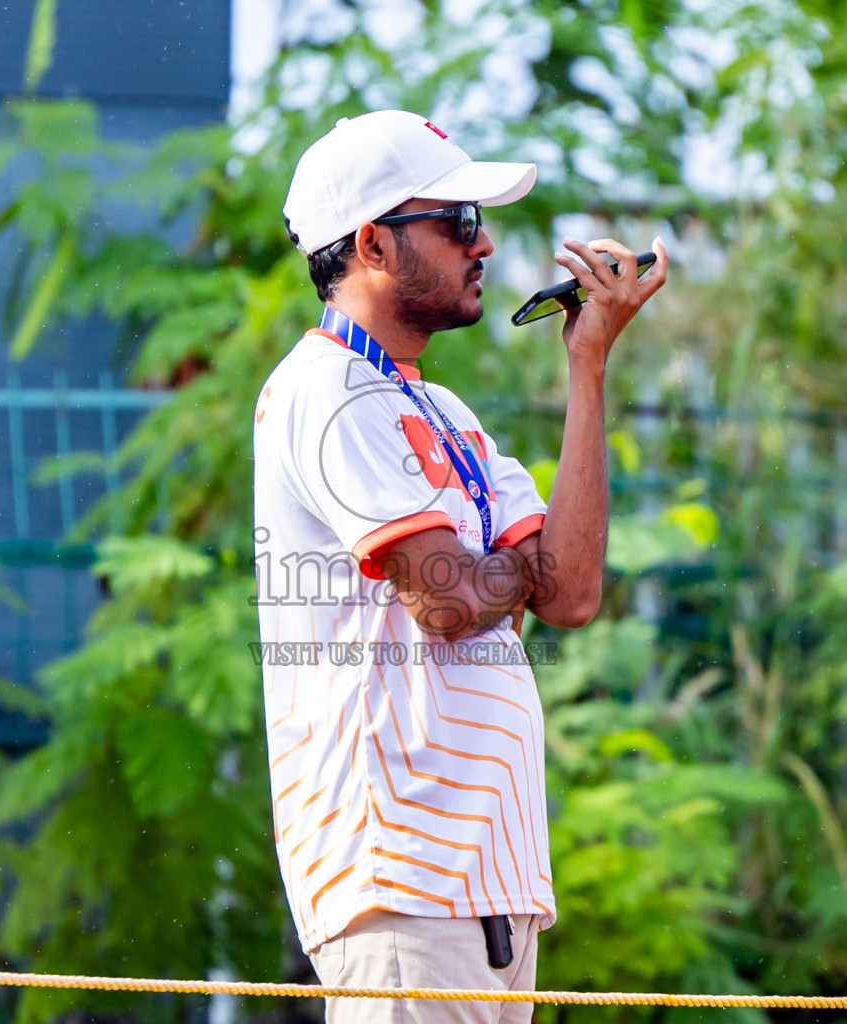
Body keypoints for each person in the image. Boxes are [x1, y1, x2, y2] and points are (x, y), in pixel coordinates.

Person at [252, 109, 668, 1023]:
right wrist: (502, 577)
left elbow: (571, 593)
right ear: (371, 244)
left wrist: (588, 363)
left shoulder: (440, 408)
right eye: (457, 222)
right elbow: (448, 601)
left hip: (481, 883)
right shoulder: (325, 390)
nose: (483, 244)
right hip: (400, 880)